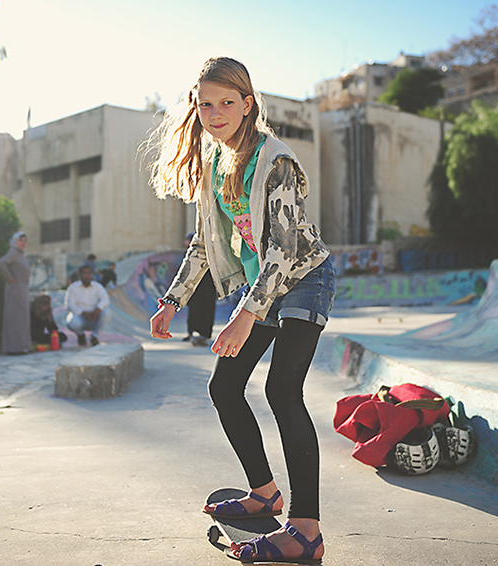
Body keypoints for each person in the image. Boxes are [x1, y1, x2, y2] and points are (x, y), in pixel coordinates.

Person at [148, 57, 333, 564]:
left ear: (248, 104)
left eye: (227, 102)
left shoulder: (276, 161)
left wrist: (247, 313)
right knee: (224, 387)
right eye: (205, 103)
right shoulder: (216, 162)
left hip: (301, 279)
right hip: (262, 289)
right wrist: (171, 301)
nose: (215, 112)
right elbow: (205, 244)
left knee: (281, 389)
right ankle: (264, 493)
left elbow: (282, 249)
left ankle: (305, 529)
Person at [0, 231, 31, 354]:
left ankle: (23, 346)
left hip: (22, 288)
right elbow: (0, 263)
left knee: (22, 317)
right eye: (21, 240)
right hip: (15, 288)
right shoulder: (13, 253)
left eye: (25, 241)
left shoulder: (20, 255)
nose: (23, 243)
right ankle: (14, 347)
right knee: (16, 316)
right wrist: (9, 278)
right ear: (15, 241)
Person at [182, 232, 217, 347]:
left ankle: (205, 334)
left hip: (208, 285)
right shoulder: (188, 254)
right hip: (194, 287)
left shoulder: (210, 252)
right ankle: (191, 332)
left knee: (207, 307)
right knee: (193, 308)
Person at [64, 264, 111, 346]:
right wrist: (83, 313)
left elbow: (105, 299)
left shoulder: (98, 286)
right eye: (84, 273)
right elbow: (69, 305)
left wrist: (98, 309)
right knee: (72, 323)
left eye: (89, 273)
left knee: (107, 312)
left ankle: (94, 336)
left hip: (95, 316)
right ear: (80, 275)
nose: (87, 275)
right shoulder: (73, 287)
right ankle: (80, 335)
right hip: (80, 317)